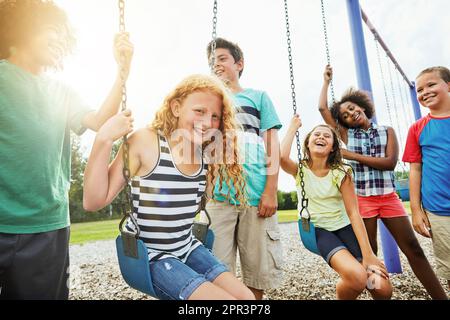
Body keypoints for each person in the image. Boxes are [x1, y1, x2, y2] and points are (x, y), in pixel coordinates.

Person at [0, 0, 134, 300]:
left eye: (64, 36)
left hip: (46, 226)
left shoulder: (61, 91)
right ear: (24, 26)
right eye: (52, 30)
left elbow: (100, 121)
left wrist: (122, 70)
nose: (60, 40)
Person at [83, 74, 255, 300]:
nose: (207, 123)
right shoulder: (146, 141)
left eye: (215, 116)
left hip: (188, 248)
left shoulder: (205, 156)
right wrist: (104, 139)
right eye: (199, 111)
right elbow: (93, 201)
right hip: (152, 257)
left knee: (246, 299)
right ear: (176, 108)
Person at [318, 65, 447, 299]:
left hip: (388, 197)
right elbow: (322, 108)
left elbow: (389, 163)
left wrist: (352, 156)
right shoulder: (348, 135)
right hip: (363, 201)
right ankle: (378, 294)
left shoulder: (387, 131)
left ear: (361, 105)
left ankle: (440, 297)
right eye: (345, 115)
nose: (350, 114)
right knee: (371, 252)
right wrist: (326, 81)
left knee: (414, 249)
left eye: (352, 108)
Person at [205, 38, 283, 300]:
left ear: (239, 64)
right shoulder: (210, 101)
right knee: (216, 270)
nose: (216, 64)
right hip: (219, 196)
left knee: (255, 273)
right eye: (212, 61)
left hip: (256, 194)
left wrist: (270, 191)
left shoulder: (258, 97)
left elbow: (273, 147)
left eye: (222, 58)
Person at [281, 117, 392, 299]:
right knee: (357, 277)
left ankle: (351, 277)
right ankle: (350, 279)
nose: (321, 137)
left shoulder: (341, 172)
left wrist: (369, 255)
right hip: (318, 230)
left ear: (333, 147)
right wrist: (293, 127)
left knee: (381, 288)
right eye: (316, 134)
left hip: (344, 227)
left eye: (327, 136)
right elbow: (282, 157)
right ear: (308, 143)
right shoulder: (300, 170)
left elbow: (353, 212)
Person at [403, 66, 450, 291]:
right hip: (439, 209)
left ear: (448, 85)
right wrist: (416, 209)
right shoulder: (417, 129)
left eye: (431, 84)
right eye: (419, 89)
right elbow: (415, 169)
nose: (424, 92)